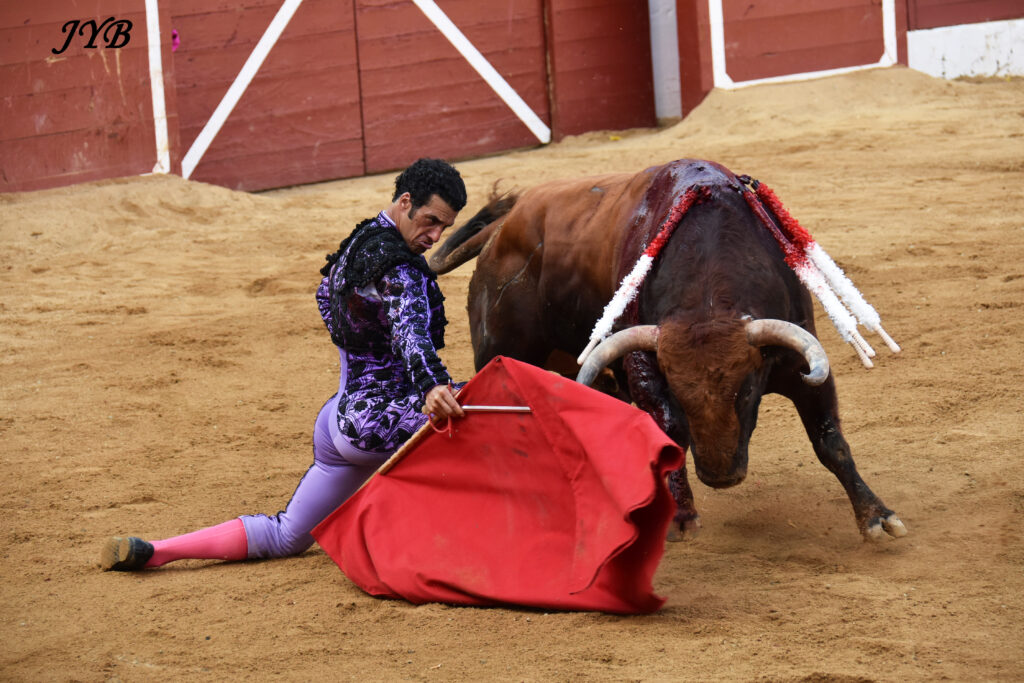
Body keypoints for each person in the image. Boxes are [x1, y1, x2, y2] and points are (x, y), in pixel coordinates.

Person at [101, 158, 468, 571]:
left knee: (285, 536)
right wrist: (433, 385)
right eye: (431, 221)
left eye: (445, 227)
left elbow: (326, 299)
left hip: (337, 423)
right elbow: (410, 334)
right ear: (405, 202)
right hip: (381, 422)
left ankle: (156, 550)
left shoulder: (359, 244)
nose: (435, 237)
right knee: (478, 413)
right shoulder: (400, 268)